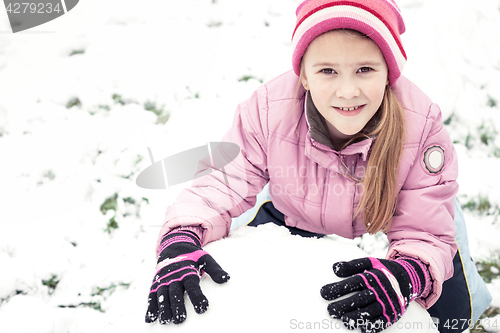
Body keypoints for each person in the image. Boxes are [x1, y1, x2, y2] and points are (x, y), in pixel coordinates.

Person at [144, 0, 489, 332]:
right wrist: (181, 237)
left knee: (451, 309)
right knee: (252, 273)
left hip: (405, 206)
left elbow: (425, 229)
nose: (348, 90)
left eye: (365, 69)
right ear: (304, 77)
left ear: (389, 74)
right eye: (327, 71)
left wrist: (408, 273)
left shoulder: (420, 125)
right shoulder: (268, 111)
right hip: (297, 204)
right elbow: (221, 182)